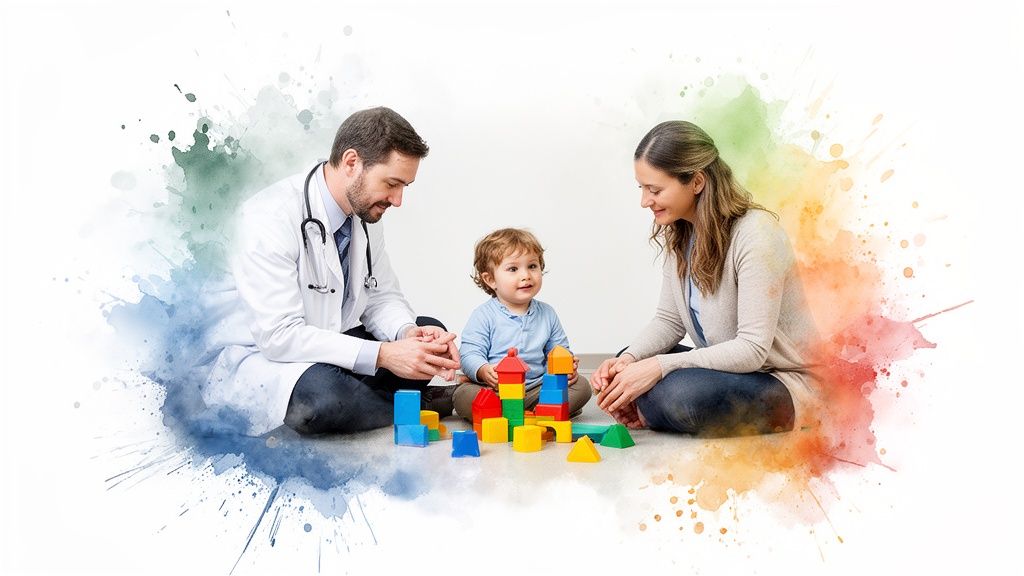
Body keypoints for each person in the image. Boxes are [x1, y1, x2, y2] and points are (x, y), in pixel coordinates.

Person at [201, 107, 460, 436]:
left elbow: (381, 297)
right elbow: (279, 336)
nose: (397, 200)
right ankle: (418, 402)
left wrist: (407, 335)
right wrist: (383, 355)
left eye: (404, 186)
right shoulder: (268, 217)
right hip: (262, 358)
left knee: (429, 331)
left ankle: (379, 402)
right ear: (352, 163)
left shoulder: (364, 215)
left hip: (326, 349)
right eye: (392, 184)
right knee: (322, 402)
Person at [591, 121, 819, 437]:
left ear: (696, 182)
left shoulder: (757, 235)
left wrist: (658, 368)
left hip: (780, 379)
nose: (645, 201)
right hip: (729, 370)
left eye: (655, 190)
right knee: (626, 362)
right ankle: (651, 404)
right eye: (642, 188)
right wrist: (631, 361)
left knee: (682, 395)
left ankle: (653, 405)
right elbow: (669, 321)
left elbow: (752, 349)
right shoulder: (681, 231)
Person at [452, 228, 591, 420]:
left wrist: (567, 365)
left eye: (532, 266)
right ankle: (538, 413)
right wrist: (483, 371)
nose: (526, 275)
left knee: (582, 387)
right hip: (496, 390)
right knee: (463, 396)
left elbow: (559, 349)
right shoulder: (484, 315)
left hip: (536, 388)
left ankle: (528, 413)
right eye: (513, 269)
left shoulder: (547, 313)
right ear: (490, 279)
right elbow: (469, 353)